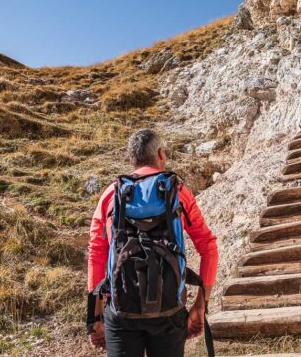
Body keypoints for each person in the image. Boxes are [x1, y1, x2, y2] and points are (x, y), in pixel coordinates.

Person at [87, 128, 219, 356]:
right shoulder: (177, 192)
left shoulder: (112, 195)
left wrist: (95, 316)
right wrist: (201, 303)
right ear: (160, 154)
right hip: (169, 310)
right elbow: (208, 247)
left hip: (121, 311)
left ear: (132, 159)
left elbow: (97, 253)